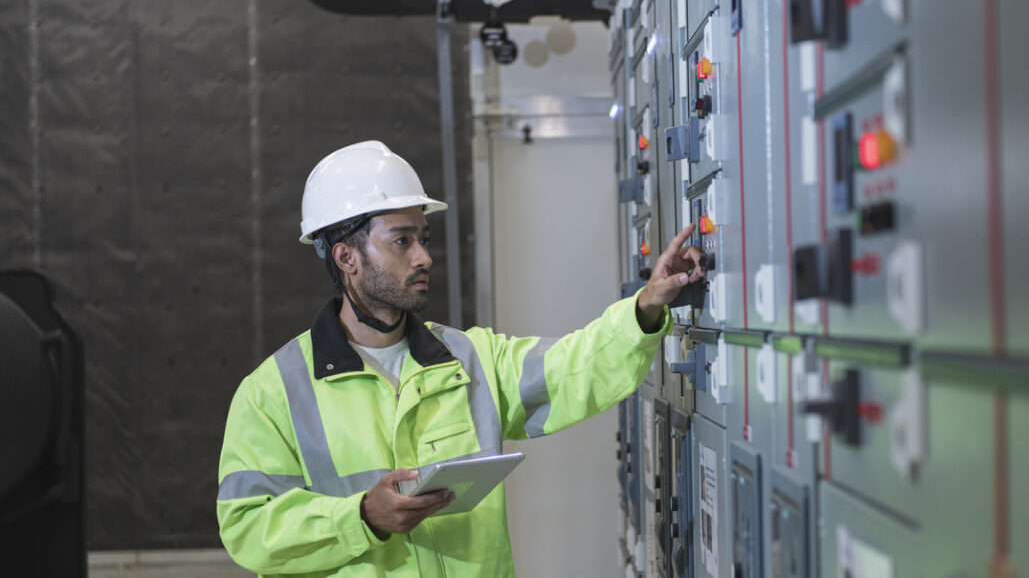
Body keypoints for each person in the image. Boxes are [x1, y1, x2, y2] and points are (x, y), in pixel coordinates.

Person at [216, 140, 703, 577]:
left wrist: (647, 306)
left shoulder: (469, 359)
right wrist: (361, 516)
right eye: (402, 241)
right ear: (347, 257)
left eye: (423, 238)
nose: (424, 257)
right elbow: (248, 528)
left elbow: (573, 370)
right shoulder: (272, 393)